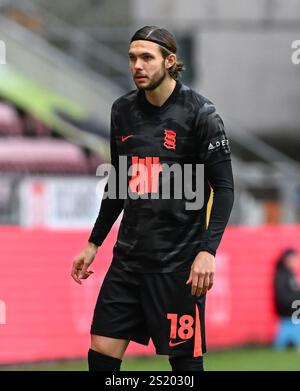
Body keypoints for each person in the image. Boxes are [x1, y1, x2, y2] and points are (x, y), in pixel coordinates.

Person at [71, 26, 234, 371]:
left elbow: (224, 189)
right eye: (132, 57)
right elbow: (118, 182)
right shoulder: (122, 110)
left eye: (146, 57)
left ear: (169, 61)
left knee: (184, 362)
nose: (137, 66)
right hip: (128, 261)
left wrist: (207, 251)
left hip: (178, 264)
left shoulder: (201, 113)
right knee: (101, 348)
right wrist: (93, 242)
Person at [273, 248, 300, 350]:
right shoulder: (282, 276)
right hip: (289, 315)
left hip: (293, 315)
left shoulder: (289, 275)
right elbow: (282, 298)